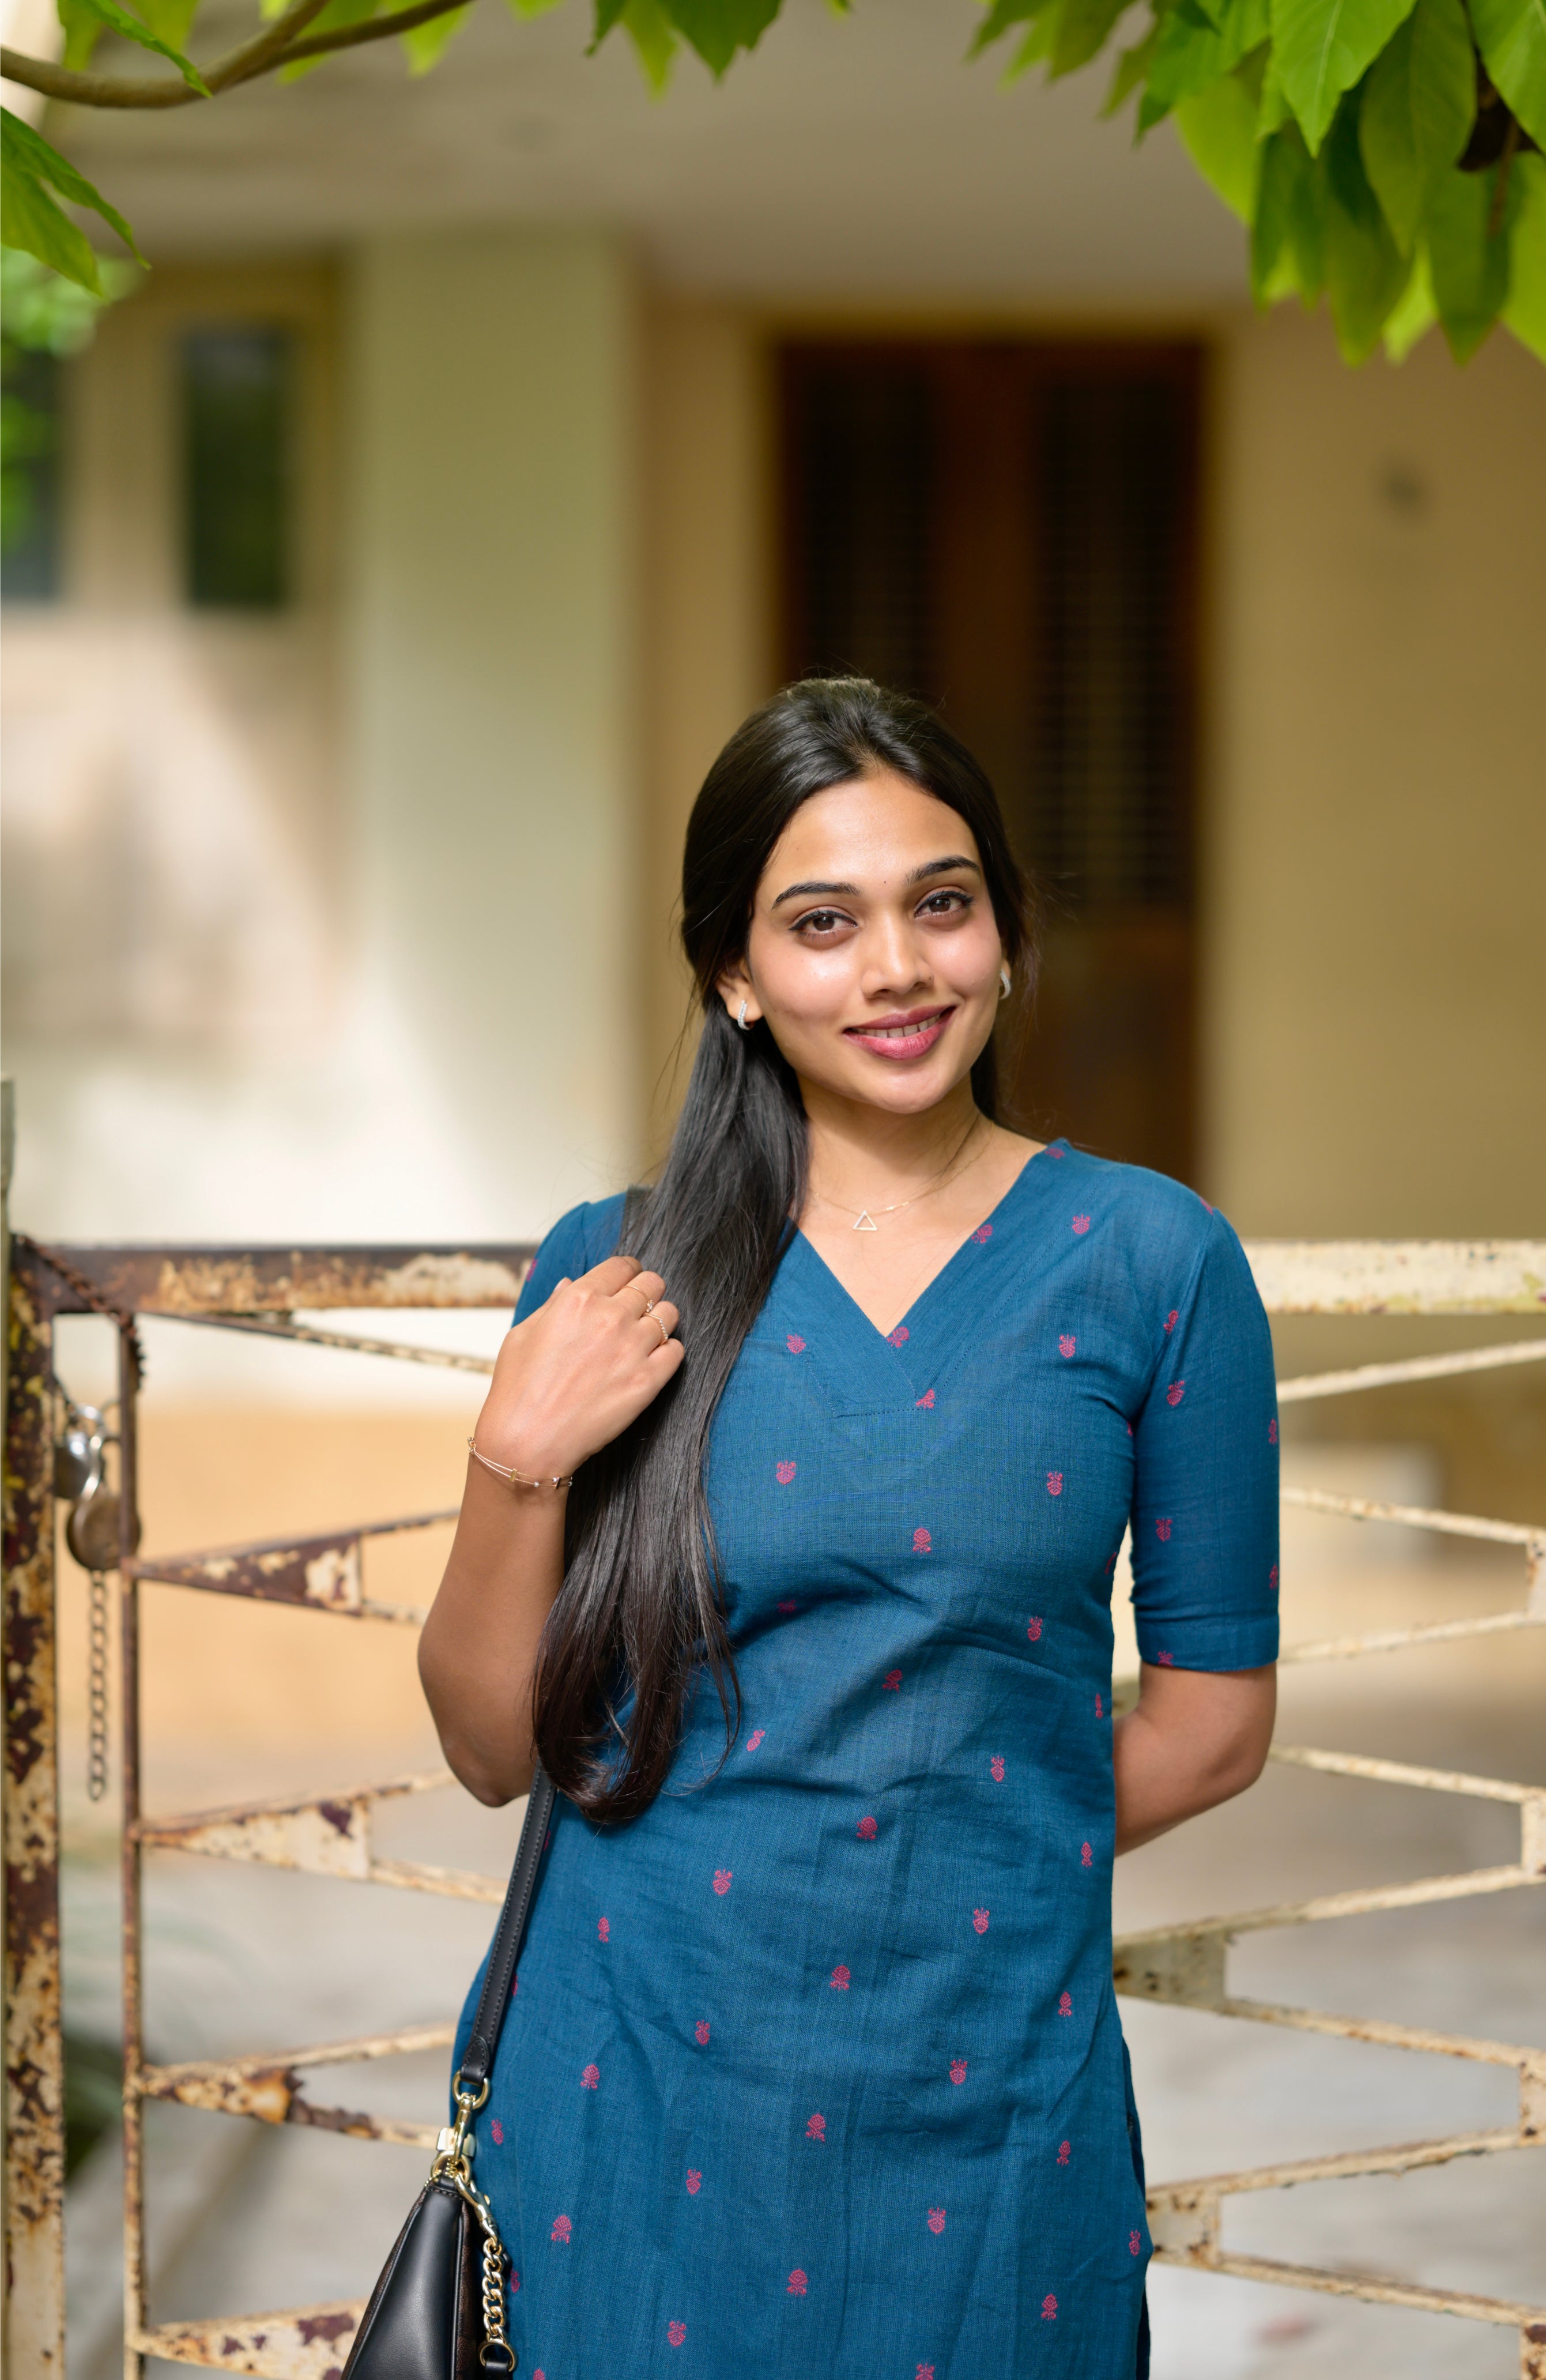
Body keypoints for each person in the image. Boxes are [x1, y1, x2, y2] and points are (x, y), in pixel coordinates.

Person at [419, 677, 1279, 2380]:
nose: (896, 968)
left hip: (990, 2077)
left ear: (1006, 935)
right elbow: (486, 1746)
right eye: (822, 924)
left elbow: (1211, 1724)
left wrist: (943, 1852)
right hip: (639, 2068)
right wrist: (512, 1459)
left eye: (939, 905)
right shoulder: (619, 1270)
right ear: (734, 976)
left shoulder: (1151, 1263)